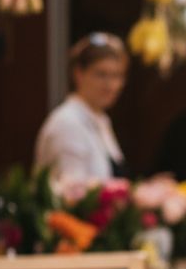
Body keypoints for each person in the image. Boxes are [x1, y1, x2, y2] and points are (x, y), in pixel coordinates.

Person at [34, 32, 128, 181]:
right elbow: (73, 194)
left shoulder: (101, 119)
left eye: (117, 76)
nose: (111, 85)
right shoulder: (67, 123)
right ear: (78, 73)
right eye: (101, 74)